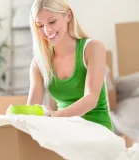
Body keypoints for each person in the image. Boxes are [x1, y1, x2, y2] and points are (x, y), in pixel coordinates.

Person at [27, 0, 114, 131]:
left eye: (52, 22)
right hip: (65, 132)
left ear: (68, 16)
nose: (47, 30)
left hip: (98, 130)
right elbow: (32, 108)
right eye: (40, 25)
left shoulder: (93, 48)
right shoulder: (39, 63)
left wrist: (55, 115)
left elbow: (91, 99)